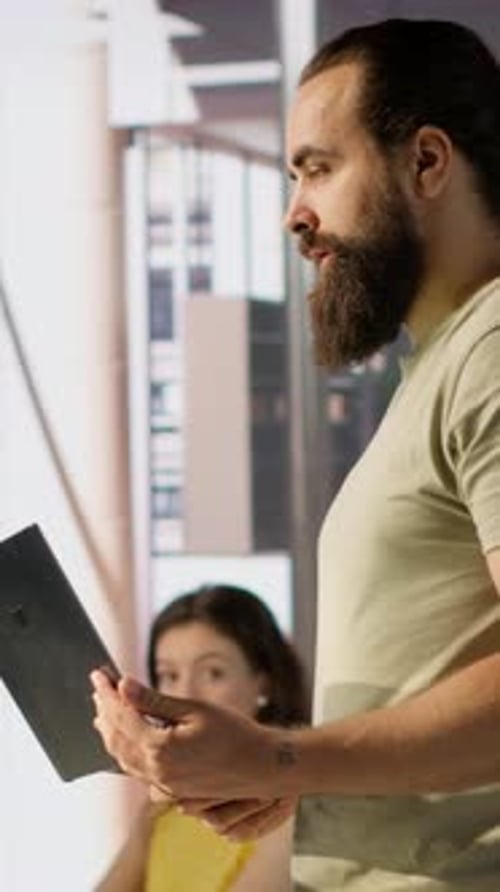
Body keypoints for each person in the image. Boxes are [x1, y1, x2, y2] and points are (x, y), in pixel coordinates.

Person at [91, 18, 500, 891]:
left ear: (428, 162)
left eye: (319, 168)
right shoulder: (440, 369)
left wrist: (280, 756)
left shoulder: (492, 349)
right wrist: (287, 773)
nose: (295, 215)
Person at [94, 583, 309, 892]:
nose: (185, 694)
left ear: (264, 685)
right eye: (170, 675)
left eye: (213, 673)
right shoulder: (160, 810)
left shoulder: (287, 804)